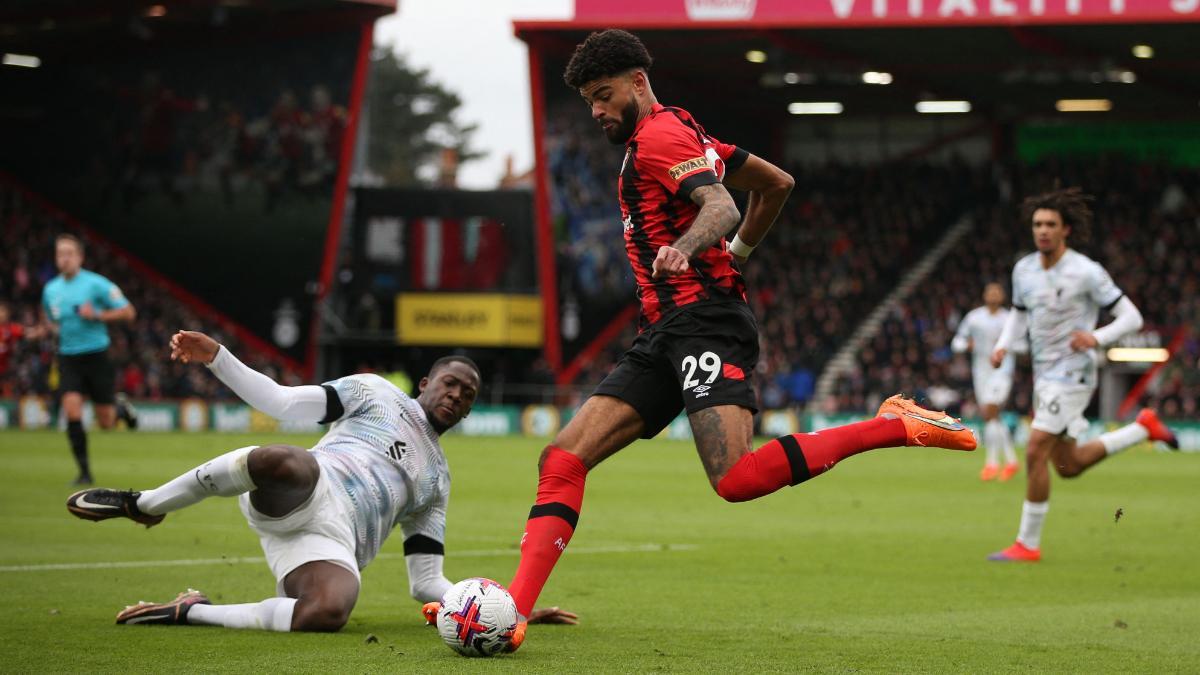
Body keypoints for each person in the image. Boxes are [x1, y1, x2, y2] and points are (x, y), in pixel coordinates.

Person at [452, 30, 976, 651]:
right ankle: (514, 611)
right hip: (664, 332)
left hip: (704, 321)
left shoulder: (662, 137)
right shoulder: (686, 133)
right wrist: (741, 254)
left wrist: (694, 244)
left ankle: (891, 423)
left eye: (603, 95)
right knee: (562, 458)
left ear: (638, 83)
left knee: (735, 479)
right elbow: (777, 183)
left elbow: (722, 206)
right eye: (589, 100)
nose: (595, 111)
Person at [66, 330, 576, 634]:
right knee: (289, 460)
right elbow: (282, 404)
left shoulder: (438, 481)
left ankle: (191, 612)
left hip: (331, 545)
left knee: (331, 611)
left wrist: (504, 609)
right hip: (307, 488)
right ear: (425, 384)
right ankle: (147, 502)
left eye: (467, 395)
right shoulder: (375, 392)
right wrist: (218, 356)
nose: (458, 396)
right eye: (451, 384)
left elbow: (425, 582)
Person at [987, 187, 1179, 563]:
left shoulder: (1086, 271)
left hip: (1074, 374)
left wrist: (1096, 337)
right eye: (1037, 224)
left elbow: (1132, 317)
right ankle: (1143, 429)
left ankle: (1027, 544)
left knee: (1035, 448)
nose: (1042, 230)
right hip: (1045, 375)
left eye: (1050, 224)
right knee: (1068, 465)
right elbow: (1019, 313)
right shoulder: (1023, 269)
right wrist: (1004, 344)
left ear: (1066, 230)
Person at [34, 234, 138, 485]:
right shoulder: (51, 290)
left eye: (69, 253)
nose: (64, 258)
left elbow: (129, 312)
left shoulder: (96, 284)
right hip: (68, 357)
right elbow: (49, 322)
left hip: (96, 356)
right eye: (60, 254)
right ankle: (84, 472)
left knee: (105, 422)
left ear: (80, 257)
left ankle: (120, 408)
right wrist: (36, 331)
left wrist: (98, 315)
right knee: (72, 410)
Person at [951, 283, 1020, 481]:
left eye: (997, 291)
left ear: (1003, 296)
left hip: (1002, 371)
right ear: (984, 295)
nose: (994, 295)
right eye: (990, 291)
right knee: (992, 417)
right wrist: (967, 344)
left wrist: (1007, 347)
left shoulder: (1009, 319)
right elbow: (957, 342)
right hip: (981, 373)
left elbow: (1022, 344)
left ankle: (991, 464)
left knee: (991, 412)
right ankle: (1011, 461)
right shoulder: (974, 318)